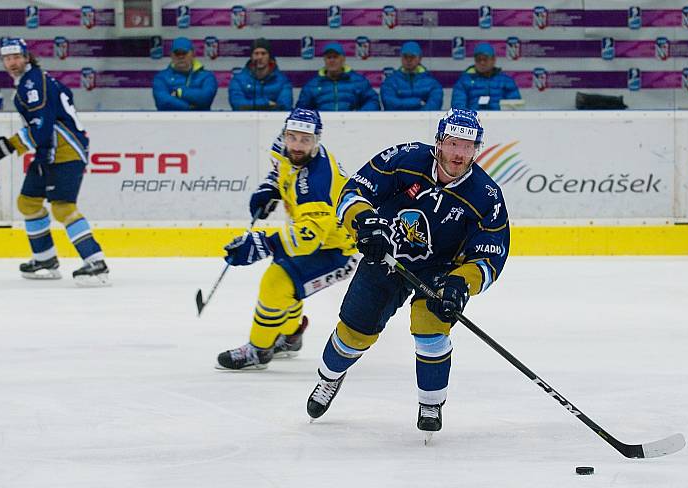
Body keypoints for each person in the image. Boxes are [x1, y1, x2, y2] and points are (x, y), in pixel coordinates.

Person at [305, 109, 510, 436]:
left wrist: (461, 283)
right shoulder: (406, 158)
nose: (459, 153)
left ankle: (431, 402)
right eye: (453, 143)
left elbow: (488, 255)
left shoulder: (486, 196)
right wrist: (364, 223)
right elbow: (355, 192)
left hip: (441, 270)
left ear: (477, 150)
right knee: (354, 334)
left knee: (431, 329)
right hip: (386, 254)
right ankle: (328, 378)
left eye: (468, 146)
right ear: (439, 142)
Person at [216, 108, 358, 370]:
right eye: (292, 137)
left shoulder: (317, 182)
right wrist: (271, 189)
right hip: (312, 234)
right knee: (285, 282)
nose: (297, 146)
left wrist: (261, 243)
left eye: (305, 140)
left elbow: (308, 238)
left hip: (339, 250)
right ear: (284, 135)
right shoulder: (284, 150)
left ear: (317, 141)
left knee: (276, 283)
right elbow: (279, 170)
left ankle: (258, 351)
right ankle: (291, 337)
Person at [0, 38, 108, 285]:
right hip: (49, 151)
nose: (12, 62)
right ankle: (45, 259)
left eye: (16, 57)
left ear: (26, 56)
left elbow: (42, 127)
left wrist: (6, 146)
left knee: (63, 207)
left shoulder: (33, 83)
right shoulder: (31, 80)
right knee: (28, 202)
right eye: (7, 58)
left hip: (66, 150)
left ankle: (96, 263)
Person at [295, 42, 380, 111]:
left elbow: (373, 101)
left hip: (353, 127)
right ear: (324, 60)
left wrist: (359, 116)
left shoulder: (358, 81)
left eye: (335, 57)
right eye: (329, 57)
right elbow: (302, 109)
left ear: (343, 59)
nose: (332, 61)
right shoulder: (313, 85)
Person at [153, 37, 217, 111]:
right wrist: (188, 107)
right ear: (171, 55)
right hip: (170, 121)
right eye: (177, 53)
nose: (181, 57)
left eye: (184, 53)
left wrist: (179, 92)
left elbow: (205, 98)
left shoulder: (207, 77)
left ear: (193, 54)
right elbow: (163, 102)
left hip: (199, 121)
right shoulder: (161, 78)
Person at [451, 42, 520, 111]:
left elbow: (514, 107)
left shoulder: (506, 81)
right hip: (472, 119)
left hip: (500, 119)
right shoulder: (464, 81)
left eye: (485, 59)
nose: (482, 63)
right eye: (478, 59)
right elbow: (458, 106)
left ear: (493, 60)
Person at [228, 38, 292, 111]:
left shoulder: (282, 81)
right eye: (256, 53)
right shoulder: (238, 80)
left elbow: (285, 107)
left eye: (263, 53)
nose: (259, 57)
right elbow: (237, 105)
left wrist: (250, 106)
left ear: (269, 56)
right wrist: (266, 103)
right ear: (251, 56)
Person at [380, 41, 442, 111]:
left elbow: (434, 107)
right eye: (405, 56)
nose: (409, 60)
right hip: (397, 120)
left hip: (423, 121)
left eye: (412, 57)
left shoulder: (432, 84)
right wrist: (418, 103)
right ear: (401, 58)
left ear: (420, 58)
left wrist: (419, 117)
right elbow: (390, 104)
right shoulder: (390, 82)